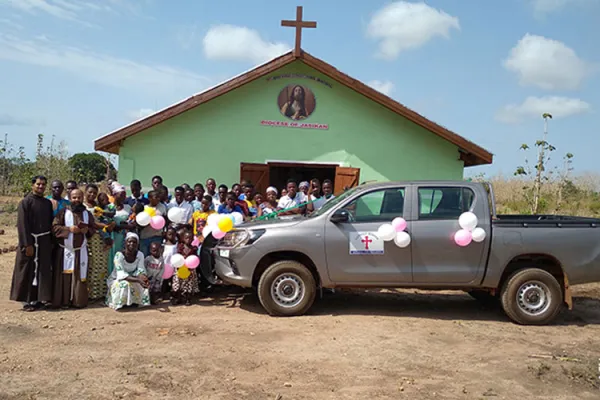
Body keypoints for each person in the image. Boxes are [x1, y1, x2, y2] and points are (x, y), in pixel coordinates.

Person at [10, 176, 54, 311]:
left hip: (44, 241)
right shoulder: (25, 202)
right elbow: (22, 225)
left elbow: (50, 223)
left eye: (43, 185)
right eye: (38, 184)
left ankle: (39, 299)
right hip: (30, 241)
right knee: (27, 270)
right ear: (32, 185)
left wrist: (49, 242)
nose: (41, 187)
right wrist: (27, 244)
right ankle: (26, 300)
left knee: (42, 270)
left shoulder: (47, 203)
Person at [51, 189, 94, 309]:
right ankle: (64, 301)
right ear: (70, 198)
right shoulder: (63, 212)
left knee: (80, 276)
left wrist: (87, 230)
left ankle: (78, 301)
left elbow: (92, 228)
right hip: (66, 250)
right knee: (65, 276)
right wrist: (68, 229)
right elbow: (54, 228)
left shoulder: (87, 214)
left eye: (79, 197)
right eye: (74, 197)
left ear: (82, 198)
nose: (77, 200)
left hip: (81, 250)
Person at [105, 232, 151, 310]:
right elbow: (121, 274)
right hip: (117, 279)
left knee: (142, 284)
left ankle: (135, 302)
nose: (132, 244)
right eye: (129, 241)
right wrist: (138, 280)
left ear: (137, 244)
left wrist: (143, 279)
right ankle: (120, 303)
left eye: (134, 242)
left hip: (134, 277)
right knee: (124, 284)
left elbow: (141, 269)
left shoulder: (140, 255)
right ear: (125, 243)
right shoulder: (119, 255)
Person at [83, 184, 112, 301]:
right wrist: (103, 226)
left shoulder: (98, 206)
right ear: (85, 192)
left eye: (94, 193)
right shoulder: (82, 206)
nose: (92, 195)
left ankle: (102, 293)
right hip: (90, 239)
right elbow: (89, 223)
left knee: (102, 266)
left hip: (101, 239)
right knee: (92, 265)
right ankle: (92, 294)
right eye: (90, 192)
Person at [107, 183, 133, 276]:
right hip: (112, 237)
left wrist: (122, 227)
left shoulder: (128, 208)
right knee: (111, 257)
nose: (124, 197)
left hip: (123, 238)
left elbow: (131, 223)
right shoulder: (109, 207)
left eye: (125, 194)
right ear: (114, 195)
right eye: (121, 194)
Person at [171, 229, 199, 306]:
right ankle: (178, 298)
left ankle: (188, 299)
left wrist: (192, 266)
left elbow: (195, 259)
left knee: (189, 285)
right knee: (177, 284)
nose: (188, 240)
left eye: (190, 238)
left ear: (193, 239)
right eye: (186, 238)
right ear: (183, 238)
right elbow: (177, 257)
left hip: (190, 270)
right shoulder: (180, 247)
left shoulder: (194, 249)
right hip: (180, 268)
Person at [139, 190, 167, 256]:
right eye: (156, 197)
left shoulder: (162, 207)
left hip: (157, 237)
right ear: (149, 198)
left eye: (159, 197)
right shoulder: (144, 209)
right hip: (145, 237)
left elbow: (165, 220)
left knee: (156, 257)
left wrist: (165, 230)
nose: (158, 199)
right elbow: (140, 223)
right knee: (145, 256)